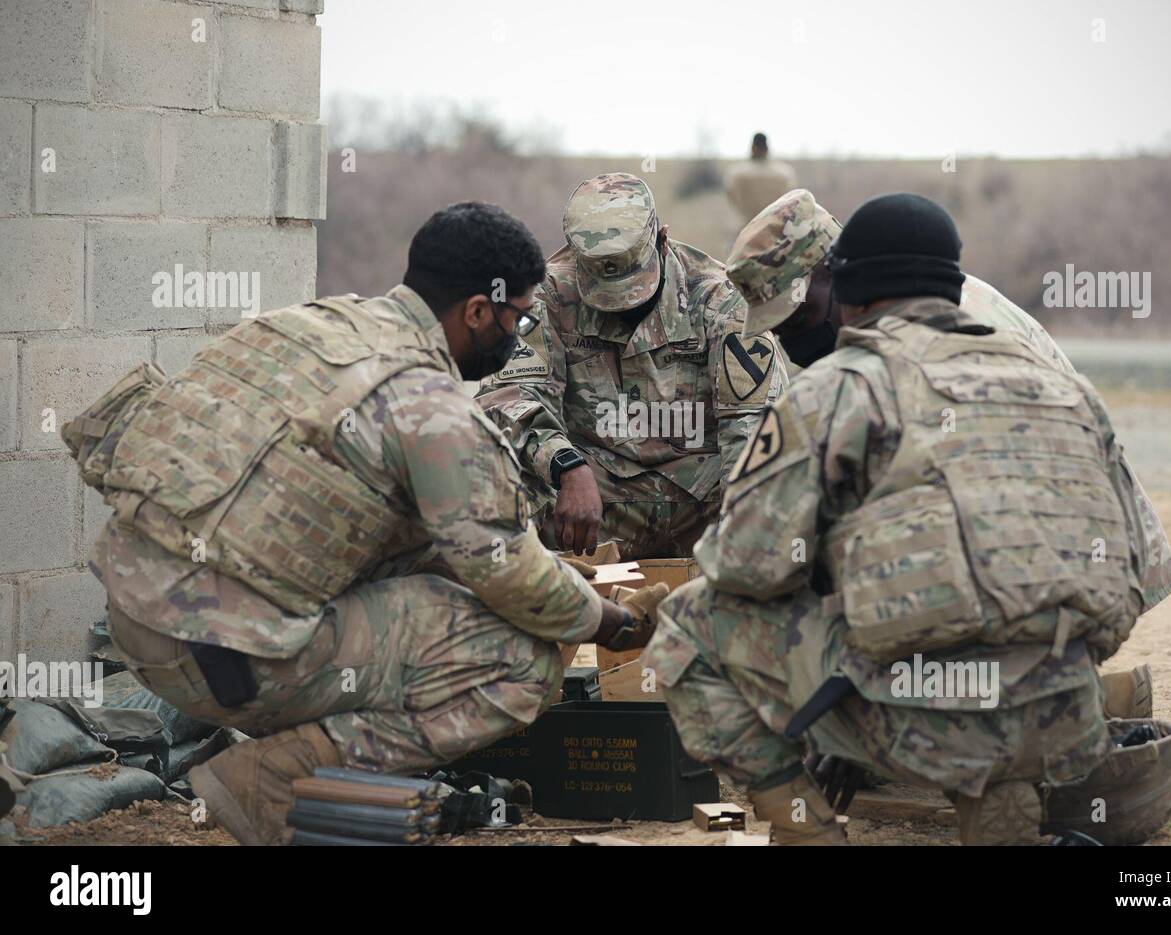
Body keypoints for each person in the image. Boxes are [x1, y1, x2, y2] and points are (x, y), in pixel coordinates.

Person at [72, 202, 668, 845]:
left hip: (132, 625)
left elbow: (385, 535)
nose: (518, 337)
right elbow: (502, 572)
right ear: (475, 311)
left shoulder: (304, 327)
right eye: (517, 317)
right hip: (224, 656)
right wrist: (614, 622)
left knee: (449, 594)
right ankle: (275, 783)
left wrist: (538, 574)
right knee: (520, 658)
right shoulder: (430, 404)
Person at [643, 193, 1171, 845]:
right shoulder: (1062, 383)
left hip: (924, 705)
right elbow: (1118, 560)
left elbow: (745, 567)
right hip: (1065, 707)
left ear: (848, 292)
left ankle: (810, 833)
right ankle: (1001, 794)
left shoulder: (839, 386)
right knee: (970, 616)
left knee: (689, 632)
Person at [475, 173, 786, 559]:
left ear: (662, 239)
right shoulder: (547, 297)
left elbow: (752, 430)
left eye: (632, 292)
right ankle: (538, 599)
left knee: (787, 500)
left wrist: (741, 533)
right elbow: (511, 399)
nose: (621, 309)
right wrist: (564, 464)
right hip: (588, 501)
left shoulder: (720, 300)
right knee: (491, 482)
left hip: (704, 500)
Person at [725, 132, 798, 230]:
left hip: (745, 229)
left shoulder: (737, 174)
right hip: (775, 230)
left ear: (752, 147)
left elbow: (732, 199)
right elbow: (790, 200)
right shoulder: (784, 174)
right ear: (767, 149)